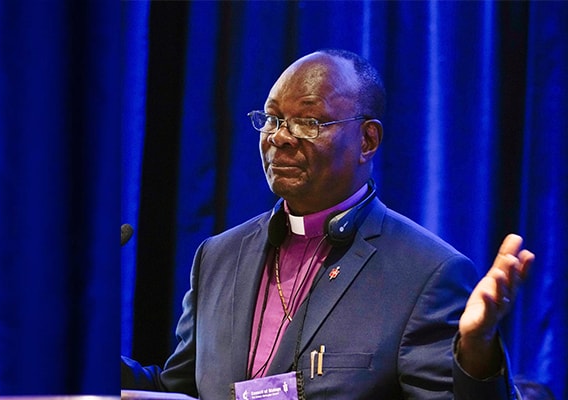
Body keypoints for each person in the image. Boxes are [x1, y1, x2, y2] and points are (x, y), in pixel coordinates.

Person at [121, 49, 534, 399]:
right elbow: (180, 389)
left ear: (367, 141)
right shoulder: (217, 257)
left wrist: (476, 350)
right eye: (271, 118)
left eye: (308, 122)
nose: (279, 136)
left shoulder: (426, 273)